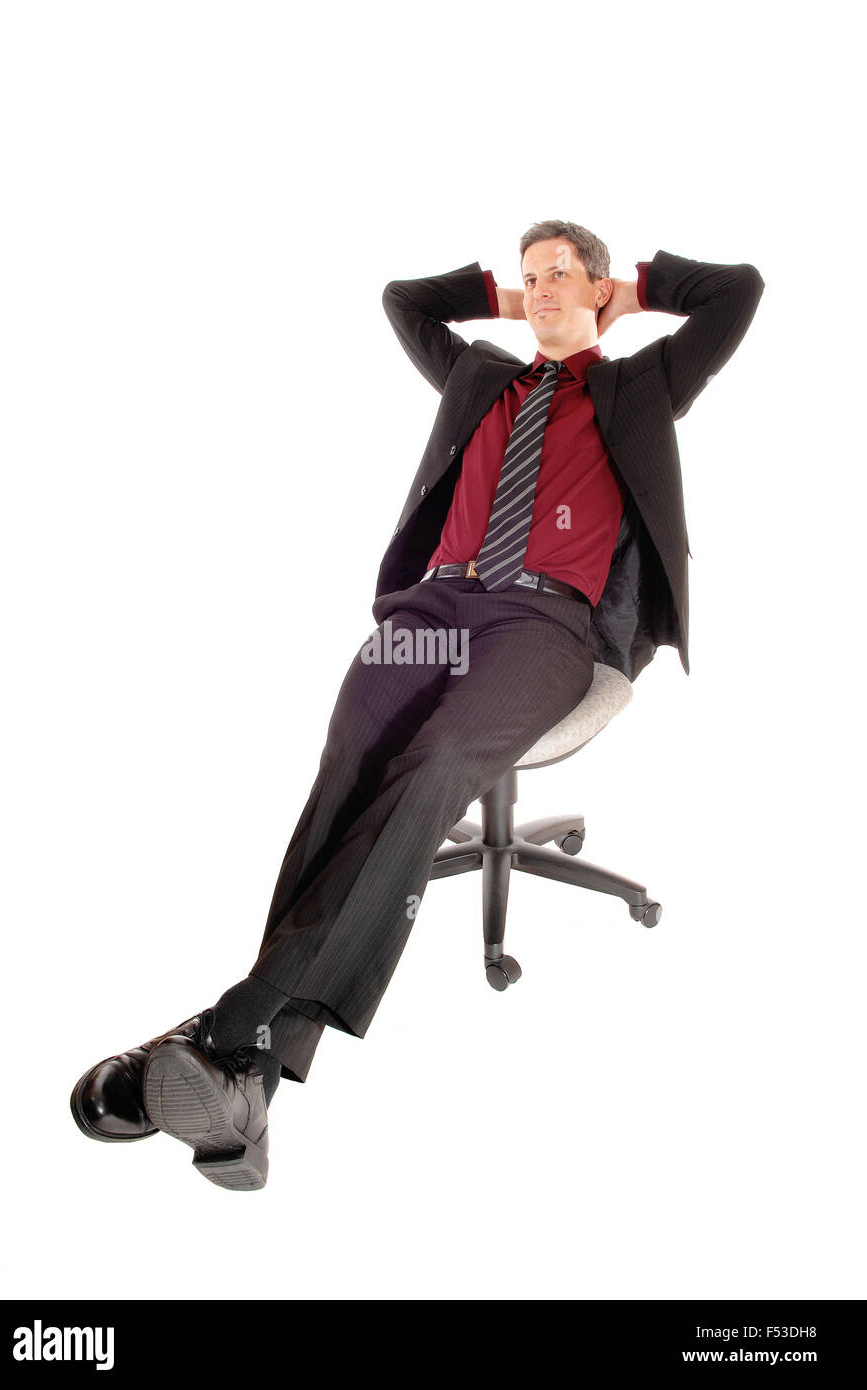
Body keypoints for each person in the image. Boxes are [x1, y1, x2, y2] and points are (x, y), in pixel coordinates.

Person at [70, 220, 765, 1191]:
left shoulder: (642, 385)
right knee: (349, 759)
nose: (545, 287)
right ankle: (249, 1087)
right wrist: (513, 299)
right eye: (532, 276)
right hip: (435, 603)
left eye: (562, 272)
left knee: (434, 764)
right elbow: (404, 298)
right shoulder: (480, 375)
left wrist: (629, 287)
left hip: (545, 624)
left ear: (598, 284)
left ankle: (230, 1033)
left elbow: (738, 287)